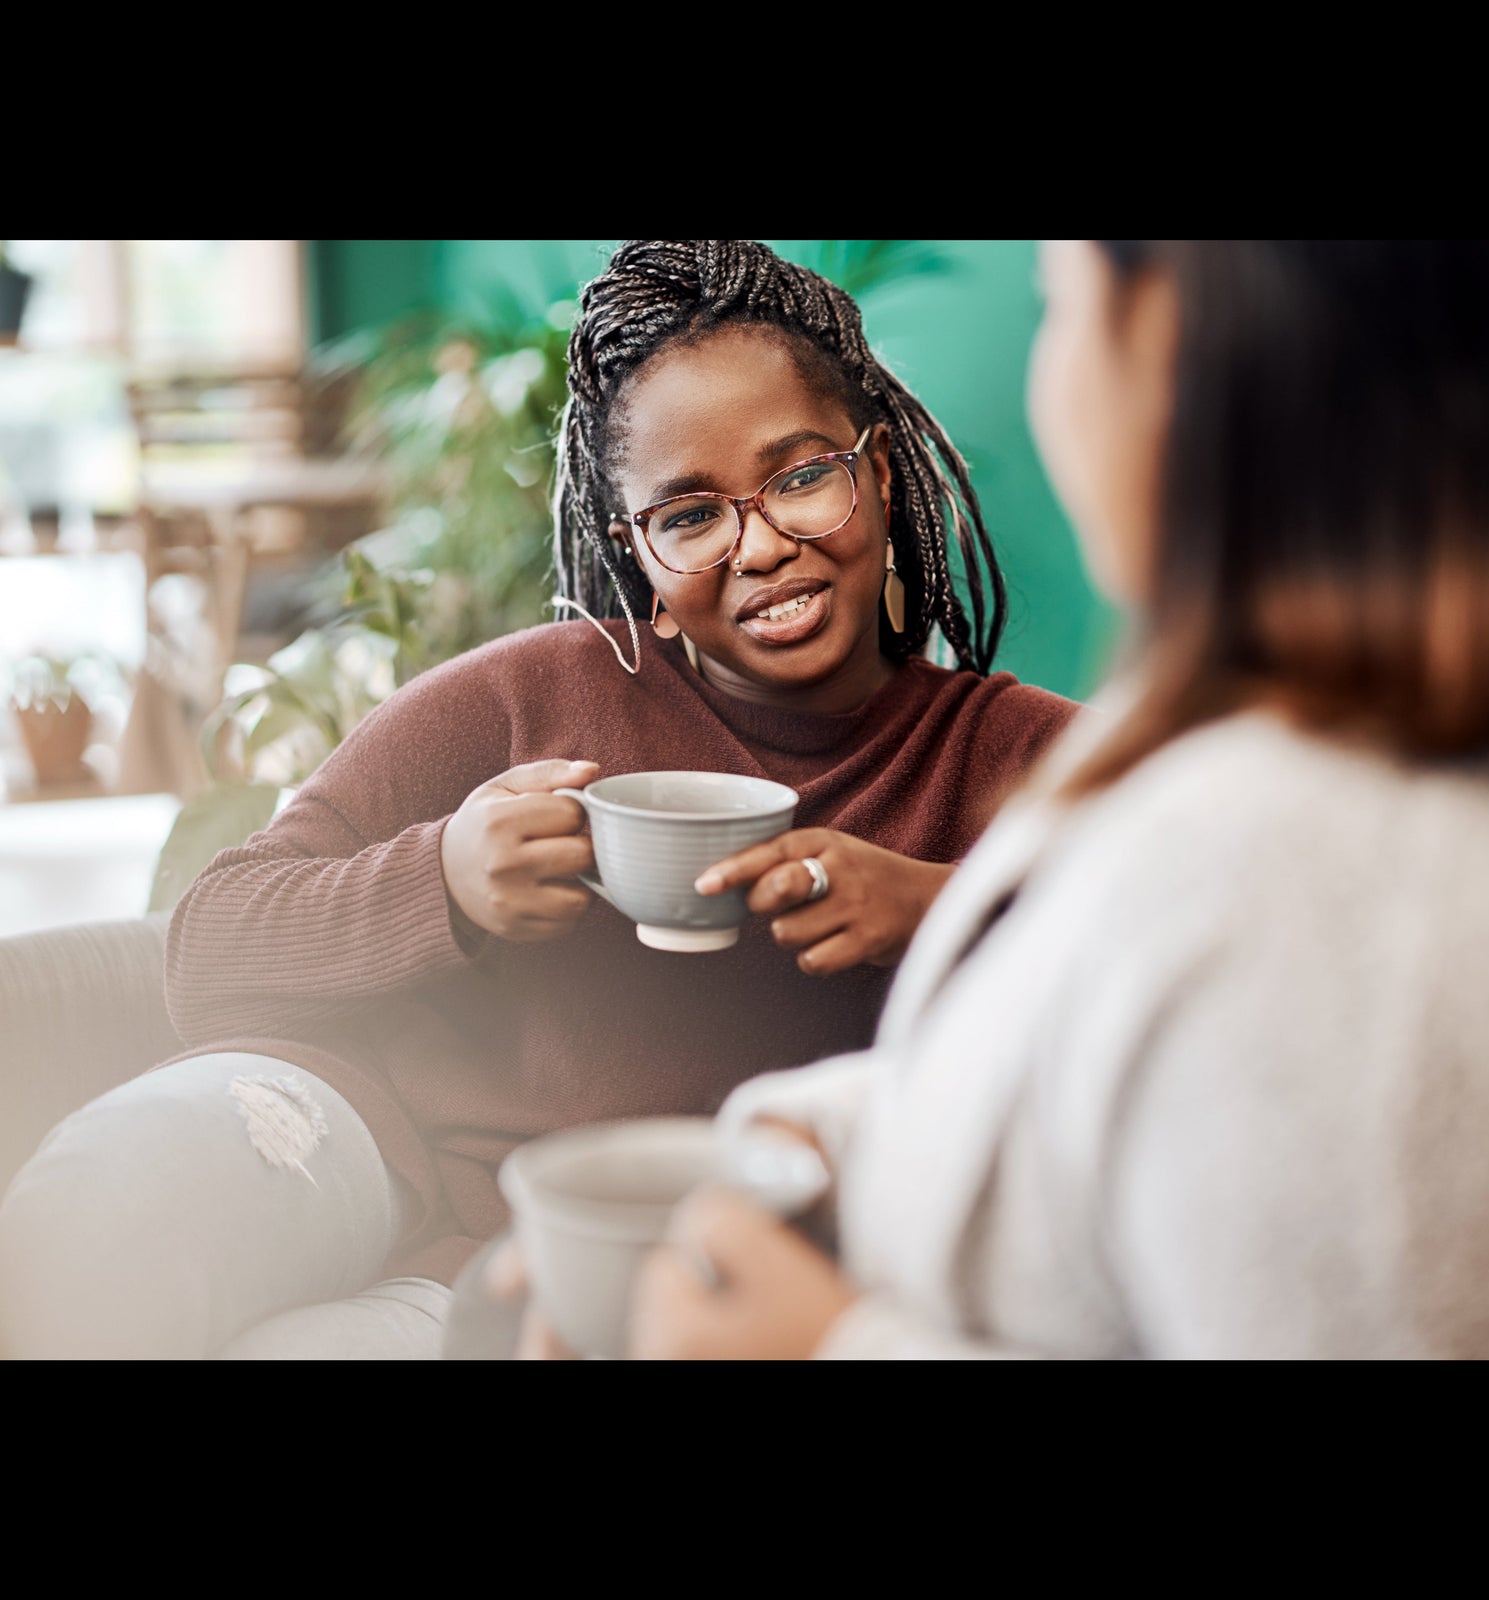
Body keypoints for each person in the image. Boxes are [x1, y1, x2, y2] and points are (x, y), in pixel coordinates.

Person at [0, 239, 1080, 1360]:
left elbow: (1203, 983)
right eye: (688, 515)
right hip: (378, 1144)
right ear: (637, 559)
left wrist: (938, 907)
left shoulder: (1022, 760)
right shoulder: (528, 693)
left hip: (648, 1284)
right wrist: (447, 881)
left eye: (803, 476)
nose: (758, 545)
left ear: (883, 470)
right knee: (97, 1224)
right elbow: (209, 949)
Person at [598, 238, 1489, 1360]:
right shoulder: (1254, 763)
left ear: (1169, 334)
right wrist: (827, 1146)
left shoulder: (1333, 892)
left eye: (1057, 304)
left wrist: (826, 1347)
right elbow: (1137, 1109)